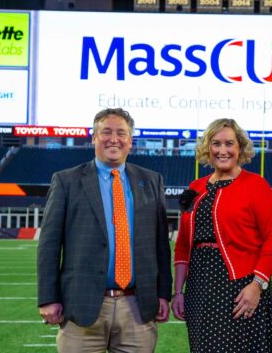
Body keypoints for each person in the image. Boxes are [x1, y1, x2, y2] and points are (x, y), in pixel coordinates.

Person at [37, 108, 172, 352]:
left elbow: (161, 245)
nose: (113, 139)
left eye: (121, 133)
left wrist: (164, 293)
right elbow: (49, 245)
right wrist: (48, 298)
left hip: (137, 306)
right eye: (106, 132)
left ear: (130, 141)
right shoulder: (66, 180)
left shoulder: (152, 181)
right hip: (81, 305)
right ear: (93, 138)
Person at [172, 118, 272, 352]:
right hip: (199, 286)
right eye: (216, 144)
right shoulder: (196, 187)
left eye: (229, 144)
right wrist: (178, 292)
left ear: (240, 148)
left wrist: (257, 285)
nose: (222, 150)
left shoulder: (256, 185)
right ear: (207, 148)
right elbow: (183, 245)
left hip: (241, 286)